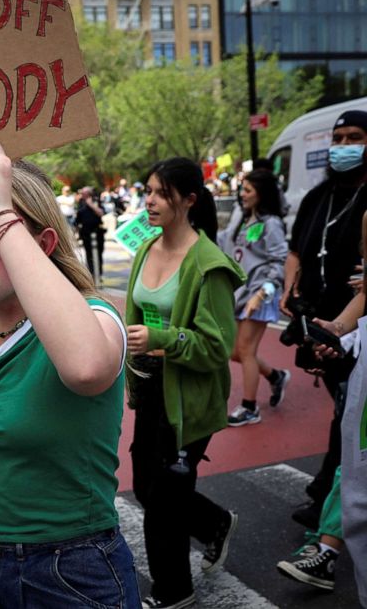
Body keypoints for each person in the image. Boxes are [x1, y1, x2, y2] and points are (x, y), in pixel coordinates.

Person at [0, 110, 138, 608]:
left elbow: (88, 367)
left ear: (41, 244)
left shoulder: (96, 317)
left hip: (70, 571)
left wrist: (3, 210)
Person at [126, 158, 246, 608]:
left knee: (163, 504)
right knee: (144, 486)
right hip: (151, 387)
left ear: (190, 200)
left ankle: (173, 593)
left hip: (189, 396)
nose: (150, 201)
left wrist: (162, 339)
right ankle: (215, 523)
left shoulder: (209, 264)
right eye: (148, 191)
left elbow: (218, 349)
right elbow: (135, 315)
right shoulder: (144, 248)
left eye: (160, 193)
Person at [281, 110, 367, 530]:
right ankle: (332, 493)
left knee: (349, 411)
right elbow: (296, 250)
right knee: (344, 405)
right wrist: (288, 287)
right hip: (318, 323)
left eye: (355, 137)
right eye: (338, 137)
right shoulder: (318, 197)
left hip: (356, 327)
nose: (344, 145)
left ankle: (329, 501)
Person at [216, 168, 291, 425]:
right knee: (234, 351)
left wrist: (264, 292)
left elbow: (280, 260)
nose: (242, 194)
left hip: (259, 295)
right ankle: (275, 377)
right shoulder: (244, 220)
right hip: (241, 294)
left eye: (247, 190)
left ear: (262, 193)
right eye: (242, 189)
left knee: (246, 350)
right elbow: (224, 244)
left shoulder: (271, 224)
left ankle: (249, 408)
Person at [76, 186, 106, 282]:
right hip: (85, 232)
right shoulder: (81, 202)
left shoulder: (96, 201)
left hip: (97, 232)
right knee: (89, 254)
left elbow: (101, 213)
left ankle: (98, 274)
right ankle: (91, 274)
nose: (83, 195)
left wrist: (91, 205)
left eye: (85, 193)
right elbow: (78, 217)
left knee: (98, 254)